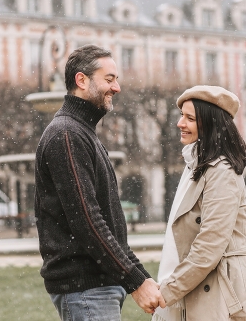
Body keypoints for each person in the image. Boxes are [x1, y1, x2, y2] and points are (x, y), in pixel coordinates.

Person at [35, 45, 165, 320]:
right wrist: (135, 283)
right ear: (81, 80)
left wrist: (140, 277)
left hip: (95, 287)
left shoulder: (81, 132)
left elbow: (110, 224)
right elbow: (87, 220)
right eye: (109, 79)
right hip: (86, 287)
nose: (116, 87)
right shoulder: (67, 134)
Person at [154, 85, 246, 320]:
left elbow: (209, 245)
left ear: (210, 124)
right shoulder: (196, 166)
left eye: (190, 118)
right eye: (181, 115)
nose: (180, 123)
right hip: (201, 289)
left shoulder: (222, 171)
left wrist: (167, 291)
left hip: (222, 295)